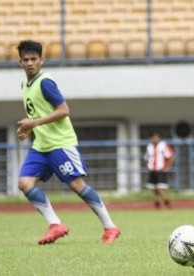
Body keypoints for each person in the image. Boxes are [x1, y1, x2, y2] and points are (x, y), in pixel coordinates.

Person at [16, 40, 120, 244]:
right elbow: (38, 113)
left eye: (34, 59)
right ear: (20, 62)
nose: (30, 63)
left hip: (61, 144)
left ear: (41, 60)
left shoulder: (45, 82)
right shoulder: (24, 85)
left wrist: (33, 123)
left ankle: (110, 227)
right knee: (24, 183)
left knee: (77, 185)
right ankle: (55, 224)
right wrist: (28, 130)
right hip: (41, 146)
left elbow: (64, 110)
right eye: (26, 59)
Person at [144, 132, 174, 208]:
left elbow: (171, 156)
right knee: (154, 189)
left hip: (160, 170)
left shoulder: (163, 146)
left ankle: (167, 202)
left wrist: (167, 167)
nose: (155, 139)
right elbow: (146, 158)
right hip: (152, 170)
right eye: (153, 137)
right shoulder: (149, 147)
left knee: (160, 188)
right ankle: (157, 204)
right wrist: (148, 165)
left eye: (156, 137)